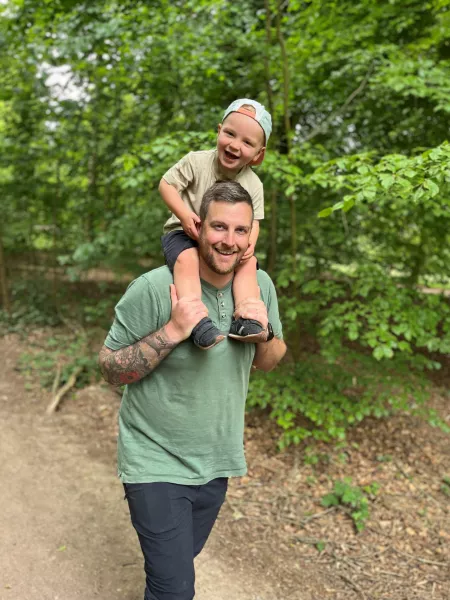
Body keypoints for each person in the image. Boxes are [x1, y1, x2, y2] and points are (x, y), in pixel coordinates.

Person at [99, 180, 286, 600]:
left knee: (180, 561)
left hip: (217, 461)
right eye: (219, 228)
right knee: (174, 589)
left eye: (240, 231)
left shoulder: (260, 288)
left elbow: (270, 361)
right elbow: (110, 369)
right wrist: (173, 330)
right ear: (198, 227)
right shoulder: (152, 288)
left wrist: (265, 332)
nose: (229, 241)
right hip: (154, 459)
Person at [159, 98, 272, 350]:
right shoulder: (197, 162)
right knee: (187, 259)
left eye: (247, 142)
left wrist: (249, 243)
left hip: (226, 241)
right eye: (230, 134)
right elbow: (166, 185)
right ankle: (195, 319)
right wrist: (184, 214)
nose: (234, 145)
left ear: (258, 155)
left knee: (248, 262)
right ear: (219, 131)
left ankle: (247, 317)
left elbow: (254, 221)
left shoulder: (253, 184)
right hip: (185, 233)